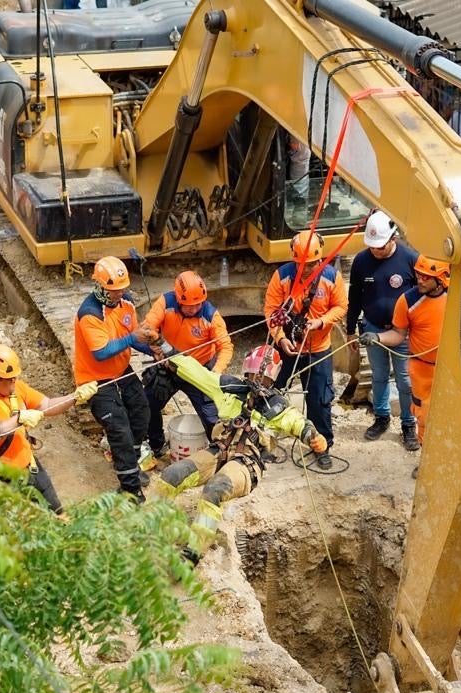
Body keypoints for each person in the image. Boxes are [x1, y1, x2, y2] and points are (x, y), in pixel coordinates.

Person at [149, 345, 328, 559]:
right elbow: (195, 371)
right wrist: (166, 348)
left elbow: (299, 424)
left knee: (216, 488)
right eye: (253, 374)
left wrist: (314, 437)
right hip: (218, 451)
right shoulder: (228, 388)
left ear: (273, 378)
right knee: (171, 475)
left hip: (247, 464)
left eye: (263, 377)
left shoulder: (278, 408)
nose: (258, 380)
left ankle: (194, 551)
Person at [0, 343, 97, 513]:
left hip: (27, 465)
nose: (15, 381)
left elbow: (46, 404)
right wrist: (19, 419)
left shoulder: (15, 387)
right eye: (11, 378)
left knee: (55, 512)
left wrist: (74, 397)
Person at [263, 229, 348, 468]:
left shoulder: (332, 277)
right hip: (287, 346)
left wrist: (320, 322)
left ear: (320, 259)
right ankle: (263, 441)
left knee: (320, 401)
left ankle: (322, 445)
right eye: (303, 265)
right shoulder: (282, 277)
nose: (308, 269)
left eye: (312, 264)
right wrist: (280, 338)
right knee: (269, 394)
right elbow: (271, 310)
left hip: (318, 348)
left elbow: (341, 306)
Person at [74, 256, 156, 501]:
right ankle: (131, 490)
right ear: (99, 287)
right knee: (119, 429)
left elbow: (131, 335)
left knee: (142, 411)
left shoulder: (126, 303)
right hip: (96, 379)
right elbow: (101, 352)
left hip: (121, 370)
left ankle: (131, 464)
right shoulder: (89, 314)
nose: (118, 295)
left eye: (121, 290)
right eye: (113, 291)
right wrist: (133, 340)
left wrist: (154, 349)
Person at [139, 270, 233, 459]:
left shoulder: (211, 316)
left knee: (211, 419)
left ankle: (219, 454)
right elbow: (148, 326)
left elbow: (226, 346)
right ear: (178, 298)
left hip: (200, 370)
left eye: (197, 304)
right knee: (148, 405)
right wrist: (155, 347)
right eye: (188, 305)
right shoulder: (166, 303)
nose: (193, 308)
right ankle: (156, 444)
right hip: (169, 367)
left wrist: (215, 373)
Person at [347, 210, 421, 450]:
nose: (375, 251)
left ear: (393, 238)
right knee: (379, 376)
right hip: (373, 330)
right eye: (372, 247)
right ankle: (381, 417)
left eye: (380, 247)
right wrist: (350, 331)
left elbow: (424, 296)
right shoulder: (361, 261)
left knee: (405, 380)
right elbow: (354, 297)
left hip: (404, 333)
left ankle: (409, 424)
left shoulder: (410, 259)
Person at [359, 254, 449, 448]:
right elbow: (399, 334)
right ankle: (426, 461)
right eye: (418, 275)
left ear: (440, 279)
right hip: (422, 369)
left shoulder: (457, 297)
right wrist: (377, 337)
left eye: (426, 276)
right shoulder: (408, 300)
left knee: (450, 415)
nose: (420, 279)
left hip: (450, 368)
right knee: (423, 416)